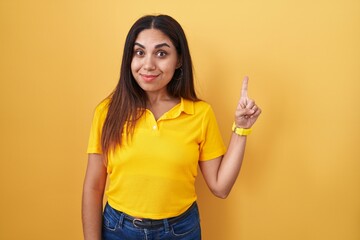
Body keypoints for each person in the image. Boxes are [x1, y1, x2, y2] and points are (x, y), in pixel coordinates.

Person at [82, 14, 261, 240]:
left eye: (161, 53)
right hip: (118, 230)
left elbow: (220, 187)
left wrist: (241, 128)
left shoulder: (200, 114)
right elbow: (93, 188)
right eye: (139, 52)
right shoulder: (107, 112)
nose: (148, 64)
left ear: (178, 60)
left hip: (180, 231)